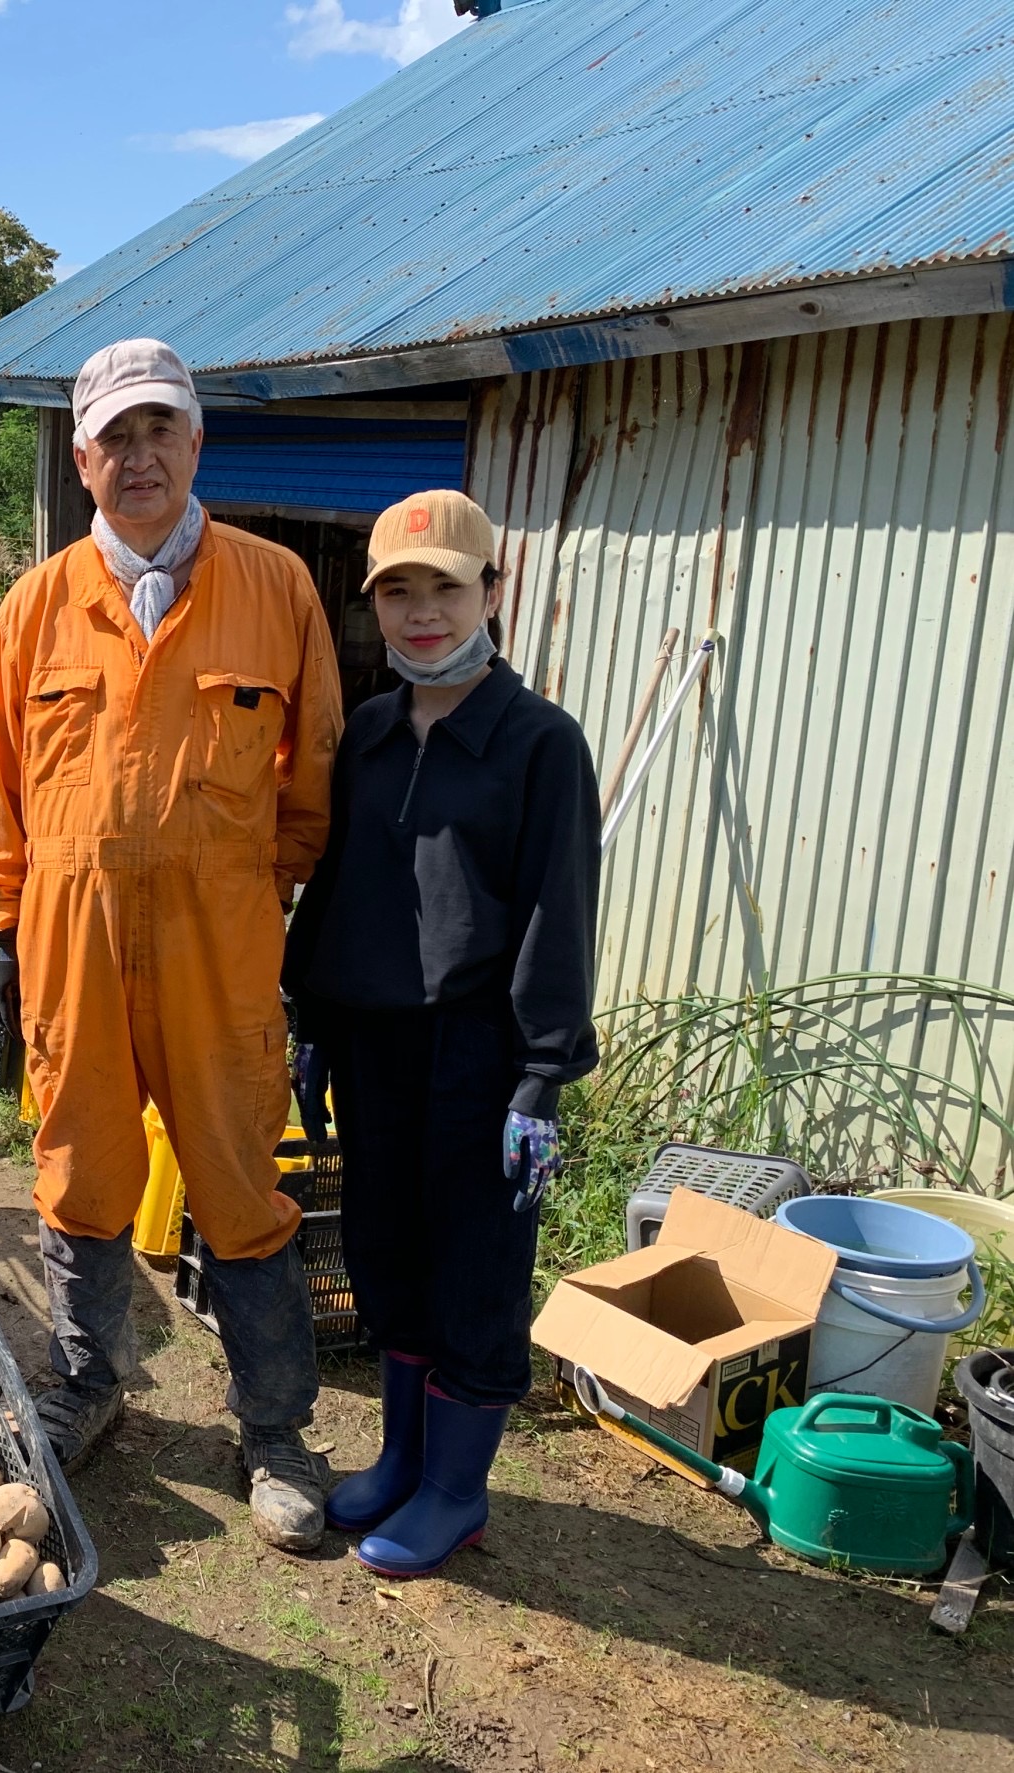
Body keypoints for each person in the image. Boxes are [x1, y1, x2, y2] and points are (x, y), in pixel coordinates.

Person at [0, 338, 343, 1551]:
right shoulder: (36, 606)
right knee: (79, 1167)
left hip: (218, 943)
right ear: (82, 458)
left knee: (238, 1177)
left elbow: (314, 771)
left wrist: (253, 892)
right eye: (114, 438)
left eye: (158, 431)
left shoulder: (275, 586)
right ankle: (91, 1383)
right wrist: (9, 928)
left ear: (195, 442)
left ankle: (276, 1429)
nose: (139, 457)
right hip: (72, 937)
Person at [283, 488, 599, 1578]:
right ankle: (404, 1458)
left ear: (492, 593)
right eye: (399, 592)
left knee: (474, 1267)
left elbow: (561, 910)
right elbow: (333, 889)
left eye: (445, 588)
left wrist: (542, 1079)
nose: (422, 613)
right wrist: (311, 1019)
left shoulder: (538, 741)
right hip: (373, 1048)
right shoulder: (369, 731)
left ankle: (458, 1491)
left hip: (482, 1054)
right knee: (387, 1252)